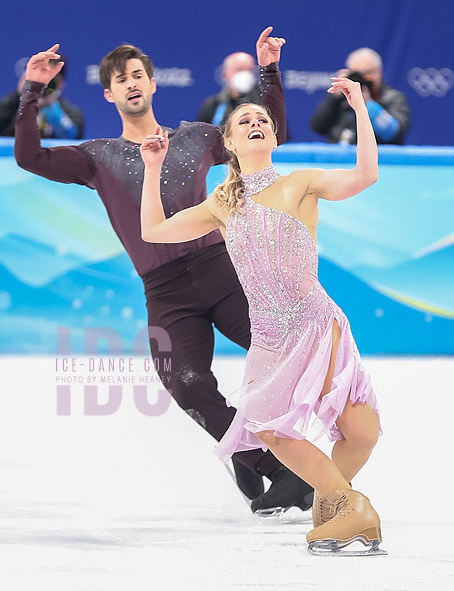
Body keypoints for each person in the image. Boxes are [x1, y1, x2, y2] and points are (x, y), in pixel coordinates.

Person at [14, 29, 314, 516]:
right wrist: (33, 90)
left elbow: (269, 130)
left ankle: (291, 457)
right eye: (120, 80)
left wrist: (269, 71)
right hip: (166, 291)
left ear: (152, 84)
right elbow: (29, 156)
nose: (131, 83)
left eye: (138, 75)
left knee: (283, 350)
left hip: (222, 271)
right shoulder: (97, 157)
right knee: (185, 382)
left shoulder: (195, 138)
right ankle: (268, 465)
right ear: (109, 94)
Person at [139, 77, 385, 555]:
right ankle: (346, 506)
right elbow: (153, 230)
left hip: (315, 322)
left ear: (273, 137)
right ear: (229, 143)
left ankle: (338, 508)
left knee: (361, 431)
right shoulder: (222, 203)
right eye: (244, 121)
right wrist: (153, 167)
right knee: (270, 425)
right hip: (271, 336)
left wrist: (359, 110)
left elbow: (365, 176)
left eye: (263, 120)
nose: (256, 123)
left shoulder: (301, 183)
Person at [310, 48, 410, 145]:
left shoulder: (393, 98)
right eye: (357, 74)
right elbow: (318, 127)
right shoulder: (342, 97)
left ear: (379, 72)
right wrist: (334, 97)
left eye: (368, 72)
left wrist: (367, 104)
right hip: (341, 159)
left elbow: (393, 133)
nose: (362, 78)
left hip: (376, 159)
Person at [0, 59, 84, 138]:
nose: (44, 83)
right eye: (41, 76)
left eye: (50, 78)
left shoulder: (70, 111)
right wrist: (21, 95)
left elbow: (71, 137)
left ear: (60, 83)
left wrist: (50, 106)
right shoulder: (15, 104)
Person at [196, 52, 260, 126]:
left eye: (250, 70)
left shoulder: (265, 100)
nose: (245, 74)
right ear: (225, 74)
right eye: (240, 69)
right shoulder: (213, 105)